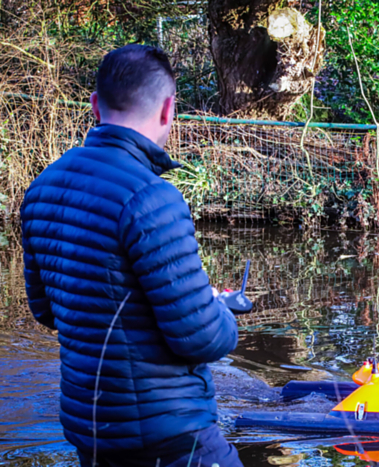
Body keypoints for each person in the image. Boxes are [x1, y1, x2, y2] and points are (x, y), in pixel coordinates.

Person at [20, 44, 242, 467]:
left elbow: (46, 309)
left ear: (94, 106)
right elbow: (200, 336)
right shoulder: (153, 197)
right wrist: (222, 313)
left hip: (93, 433)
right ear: (168, 109)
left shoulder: (41, 189)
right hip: (171, 435)